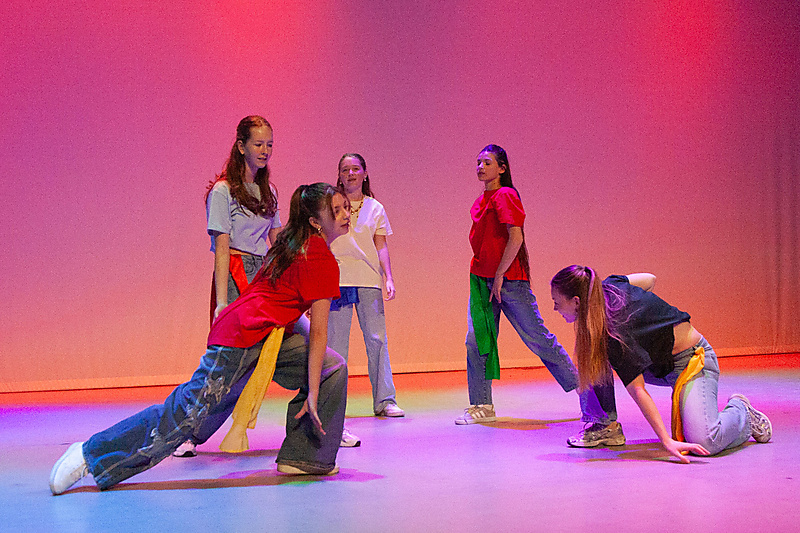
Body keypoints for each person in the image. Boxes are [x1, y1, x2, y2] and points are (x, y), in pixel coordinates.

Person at [49, 183, 351, 495]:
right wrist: (313, 393)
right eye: (337, 210)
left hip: (268, 337)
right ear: (315, 221)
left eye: (345, 208)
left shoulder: (293, 243)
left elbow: (291, 311)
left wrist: (316, 382)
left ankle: (305, 457)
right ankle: (90, 454)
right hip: (243, 335)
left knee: (332, 367)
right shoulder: (317, 257)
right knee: (187, 414)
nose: (346, 214)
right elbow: (319, 332)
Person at [458, 145, 620, 448]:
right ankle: (482, 404)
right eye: (478, 162)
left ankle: (591, 398)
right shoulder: (482, 200)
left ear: (502, 168)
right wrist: (488, 277)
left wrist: (500, 275)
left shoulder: (505, 195)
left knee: (539, 339)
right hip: (481, 279)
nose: (480, 166)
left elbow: (516, 236)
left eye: (487, 162)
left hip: (509, 281)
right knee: (476, 340)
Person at [550, 265, 772, 463]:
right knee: (591, 351)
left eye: (557, 303)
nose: (555, 309)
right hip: (657, 366)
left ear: (577, 301)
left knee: (706, 441)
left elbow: (638, 390)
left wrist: (666, 440)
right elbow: (649, 279)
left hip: (692, 362)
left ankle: (742, 412)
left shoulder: (614, 331)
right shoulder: (608, 289)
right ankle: (605, 425)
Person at [173, 115, 281, 458]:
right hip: (236, 275)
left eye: (269, 145)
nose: (264, 150)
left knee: (296, 350)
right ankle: (190, 433)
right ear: (241, 146)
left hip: (263, 276)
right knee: (228, 364)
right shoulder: (223, 191)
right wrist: (222, 302)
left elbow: (277, 242)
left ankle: (324, 424)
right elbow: (222, 248)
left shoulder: (269, 191)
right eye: (258, 144)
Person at [328, 154, 403, 447]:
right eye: (345, 169)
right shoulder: (331, 205)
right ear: (339, 174)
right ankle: (335, 406)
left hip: (368, 280)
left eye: (355, 169)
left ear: (365, 173)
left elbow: (380, 245)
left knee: (377, 340)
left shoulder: (375, 207)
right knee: (336, 346)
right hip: (338, 280)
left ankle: (385, 400)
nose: (350, 173)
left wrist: (388, 277)